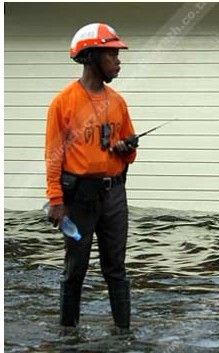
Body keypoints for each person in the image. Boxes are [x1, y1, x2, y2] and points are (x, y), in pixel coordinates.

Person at [45, 23, 136, 332]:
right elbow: (53, 156)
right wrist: (56, 201)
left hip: (114, 196)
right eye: (112, 55)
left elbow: (129, 153)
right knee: (75, 269)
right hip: (78, 199)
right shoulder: (63, 102)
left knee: (117, 269)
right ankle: (67, 334)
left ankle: (123, 333)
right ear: (91, 57)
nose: (119, 62)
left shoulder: (118, 102)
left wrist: (126, 149)